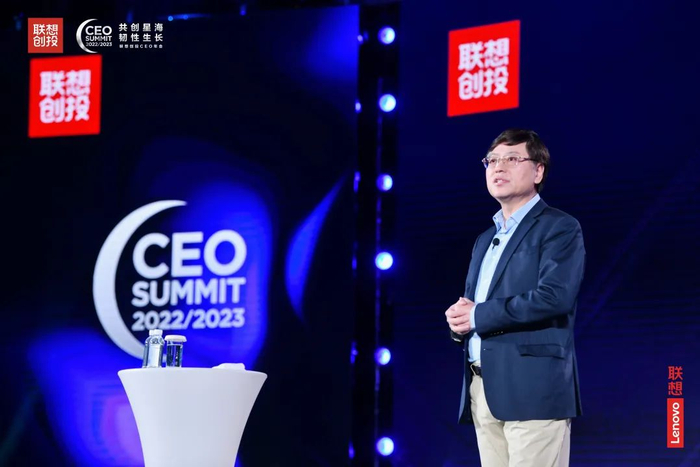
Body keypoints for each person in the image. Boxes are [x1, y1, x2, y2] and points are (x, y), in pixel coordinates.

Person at [445, 128, 585, 467]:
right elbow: (473, 305)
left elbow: (554, 297)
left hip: (533, 388)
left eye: (511, 158)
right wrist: (459, 321)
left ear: (538, 171)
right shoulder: (485, 238)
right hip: (483, 388)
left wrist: (477, 316)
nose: (498, 167)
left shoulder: (559, 227)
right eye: (491, 160)